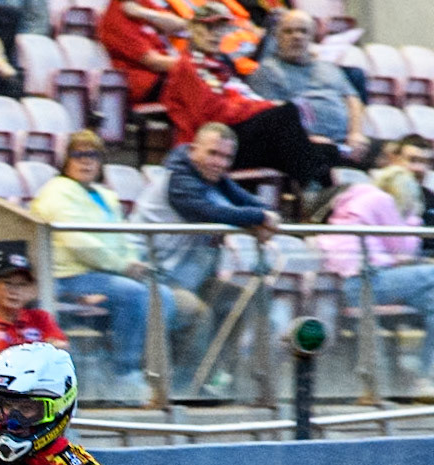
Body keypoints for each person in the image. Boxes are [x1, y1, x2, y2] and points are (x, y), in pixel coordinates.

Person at [29, 130, 208, 400]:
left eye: (93, 155)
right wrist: (122, 266)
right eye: (78, 154)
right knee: (134, 293)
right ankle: (124, 374)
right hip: (68, 277)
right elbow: (79, 243)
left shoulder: (105, 195)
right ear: (67, 160)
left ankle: (155, 373)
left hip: (105, 273)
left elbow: (123, 237)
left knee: (164, 296)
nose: (86, 161)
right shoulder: (57, 192)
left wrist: (133, 261)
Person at [160, 2, 334, 187]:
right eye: (208, 27)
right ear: (193, 28)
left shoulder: (220, 62)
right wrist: (267, 106)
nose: (215, 34)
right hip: (210, 148)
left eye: (220, 28)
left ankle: (327, 200)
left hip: (232, 137)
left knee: (326, 150)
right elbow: (214, 115)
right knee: (287, 114)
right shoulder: (187, 66)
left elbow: (239, 98)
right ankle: (312, 193)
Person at [315, 166, 434, 395]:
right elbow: (405, 249)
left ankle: (423, 381)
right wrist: (413, 216)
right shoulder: (381, 199)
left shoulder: (361, 197)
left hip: (358, 281)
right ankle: (422, 378)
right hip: (364, 282)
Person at [130, 121, 278, 294]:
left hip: (180, 274)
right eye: (213, 153)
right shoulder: (178, 180)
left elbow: (252, 203)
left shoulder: (211, 176)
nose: (219, 163)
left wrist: (269, 216)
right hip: (149, 275)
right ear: (193, 151)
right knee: (197, 313)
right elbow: (210, 212)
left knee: (245, 301)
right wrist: (262, 218)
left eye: (226, 157)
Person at [247, 10, 369, 166]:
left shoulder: (328, 68)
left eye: (303, 31)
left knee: (390, 152)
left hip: (348, 142)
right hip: (306, 147)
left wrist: (356, 133)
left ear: (312, 37)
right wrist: (305, 138)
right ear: (277, 37)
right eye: (288, 31)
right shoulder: (266, 72)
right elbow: (273, 120)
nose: (296, 36)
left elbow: (352, 98)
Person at [0, 255, 69, 407]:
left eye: (22, 285)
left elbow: (61, 352)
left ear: (32, 290)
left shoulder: (40, 318)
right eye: (8, 284)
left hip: (38, 412)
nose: (14, 291)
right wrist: (40, 354)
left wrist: (5, 357)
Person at [99, 0, 188, 104]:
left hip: (165, 77)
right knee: (199, 90)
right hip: (144, 86)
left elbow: (179, 25)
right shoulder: (115, 17)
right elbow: (154, 62)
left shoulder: (139, 4)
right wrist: (191, 66)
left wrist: (143, 13)